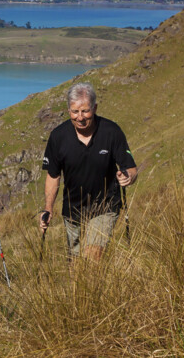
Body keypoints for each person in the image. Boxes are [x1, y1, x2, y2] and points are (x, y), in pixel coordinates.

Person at [39, 82, 137, 262]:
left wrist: (128, 177)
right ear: (68, 110)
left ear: (95, 108)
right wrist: (48, 208)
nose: (80, 117)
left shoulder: (111, 132)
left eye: (85, 111)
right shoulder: (58, 136)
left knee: (92, 256)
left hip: (105, 207)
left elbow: (131, 168)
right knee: (75, 263)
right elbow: (53, 175)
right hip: (73, 209)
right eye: (75, 111)